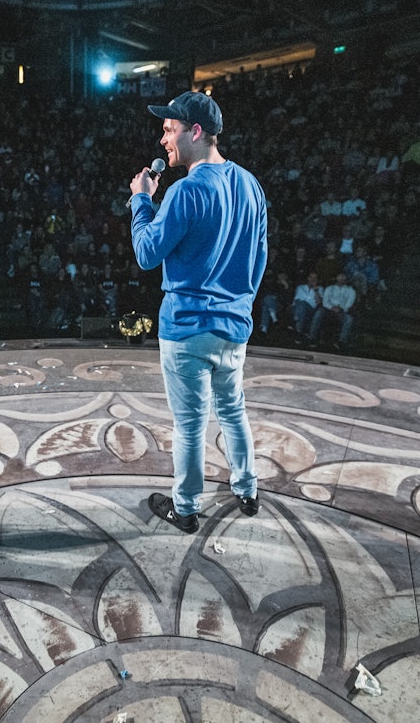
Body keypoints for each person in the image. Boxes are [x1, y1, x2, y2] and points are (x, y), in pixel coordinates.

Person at [129, 90, 267, 533]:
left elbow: (147, 253)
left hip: (187, 327)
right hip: (234, 326)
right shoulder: (250, 185)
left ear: (195, 132)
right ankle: (247, 489)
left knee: (190, 425)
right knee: (233, 410)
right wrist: (240, 304)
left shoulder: (185, 190)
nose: (163, 139)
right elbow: (260, 258)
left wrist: (141, 202)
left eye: (169, 130)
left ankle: (186, 508)